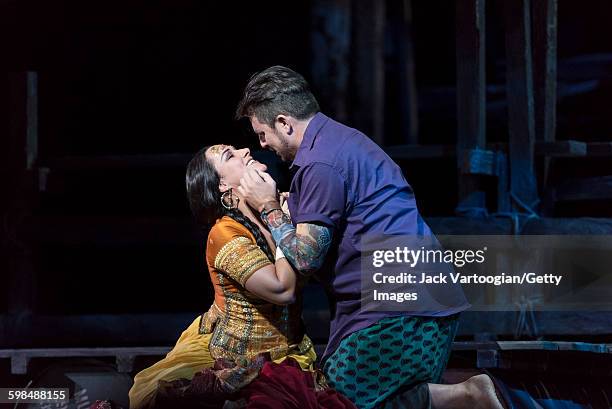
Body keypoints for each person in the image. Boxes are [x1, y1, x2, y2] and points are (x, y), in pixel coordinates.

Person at [236, 66, 505, 409]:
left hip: (399, 312)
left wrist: (269, 207)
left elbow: (305, 260)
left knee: (330, 401)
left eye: (262, 134)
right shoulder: (339, 140)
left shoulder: (320, 163)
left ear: (285, 123)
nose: (261, 145)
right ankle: (467, 397)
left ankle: (468, 396)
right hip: (428, 305)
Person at [128, 145, 355, 409]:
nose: (246, 150)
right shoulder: (225, 233)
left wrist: (279, 213)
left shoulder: (283, 206)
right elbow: (283, 290)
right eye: (230, 155)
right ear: (222, 184)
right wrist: (276, 214)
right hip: (236, 360)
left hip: (292, 354)